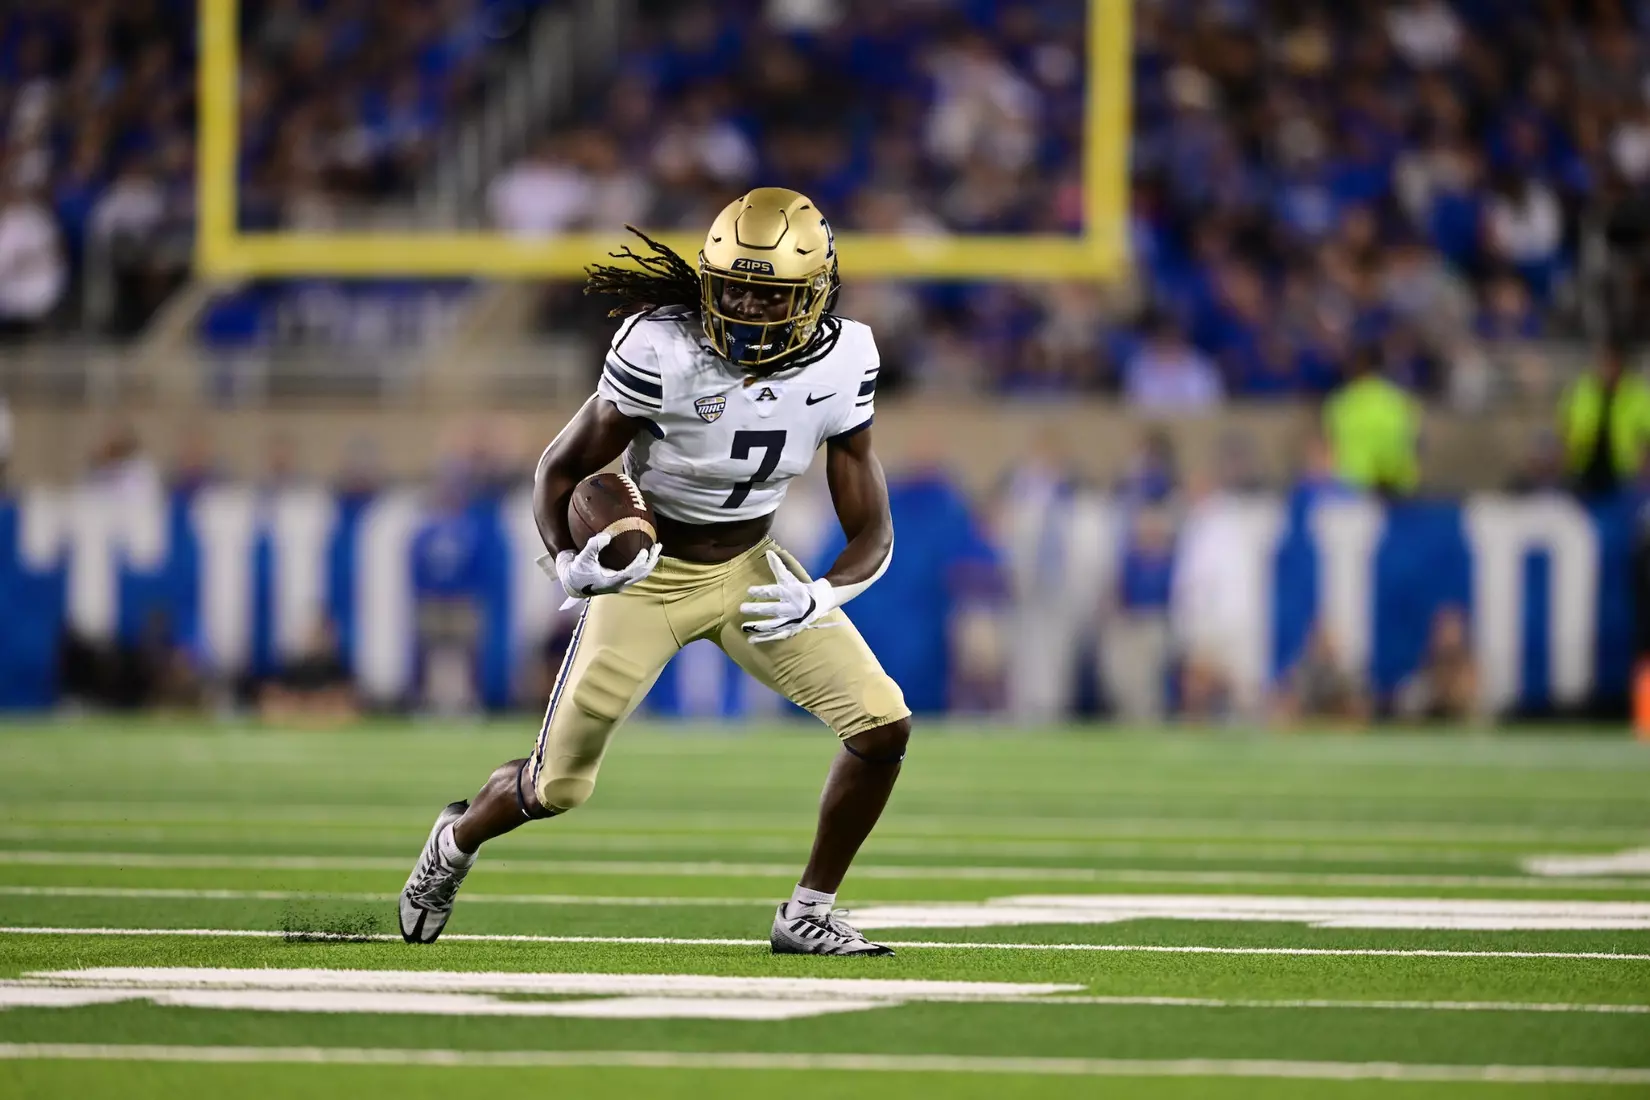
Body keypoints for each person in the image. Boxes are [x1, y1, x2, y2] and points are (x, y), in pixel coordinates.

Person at [398, 189, 909, 956]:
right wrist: (569, 564)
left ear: (813, 295)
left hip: (751, 570)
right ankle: (456, 840)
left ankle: (807, 910)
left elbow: (870, 526)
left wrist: (824, 591)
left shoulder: (846, 358)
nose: (741, 305)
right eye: (730, 284)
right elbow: (561, 469)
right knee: (556, 787)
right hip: (648, 578)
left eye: (765, 293)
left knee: (883, 723)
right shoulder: (661, 346)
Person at [1559, 337, 1650, 498]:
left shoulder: (1637, 393)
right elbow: (1567, 423)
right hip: (1585, 467)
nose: (1605, 367)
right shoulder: (1583, 389)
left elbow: (1645, 435)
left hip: (1622, 472)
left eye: (1610, 361)